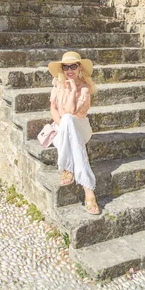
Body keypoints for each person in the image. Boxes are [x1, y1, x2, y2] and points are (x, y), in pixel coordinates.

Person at [47, 51, 100, 215]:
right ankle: (88, 191)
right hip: (61, 128)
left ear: (79, 68)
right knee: (67, 124)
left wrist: (72, 88)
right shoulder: (57, 84)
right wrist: (61, 125)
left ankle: (67, 168)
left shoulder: (84, 88)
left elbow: (70, 111)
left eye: (73, 66)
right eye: (65, 66)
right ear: (62, 69)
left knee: (69, 119)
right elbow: (53, 108)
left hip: (81, 128)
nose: (69, 70)